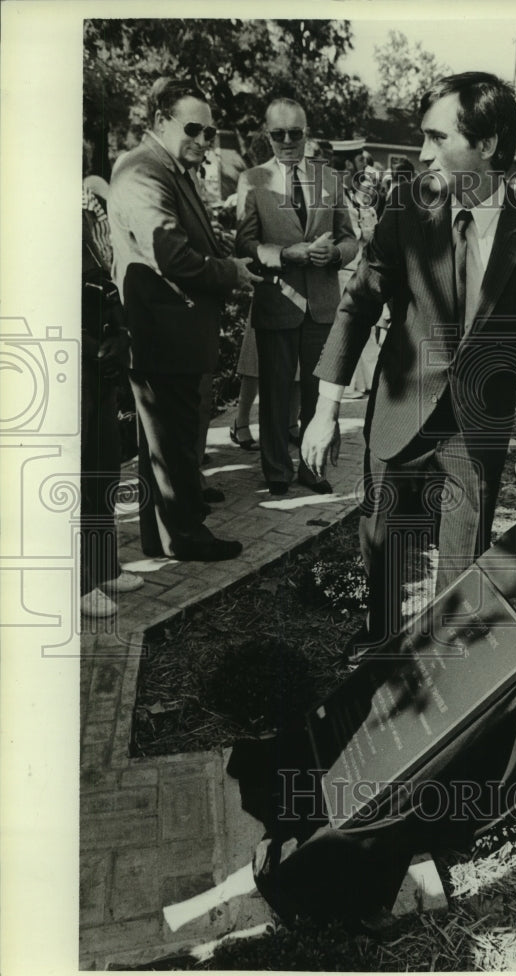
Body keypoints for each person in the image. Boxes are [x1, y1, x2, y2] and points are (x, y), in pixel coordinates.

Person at [302, 71, 516, 655]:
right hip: (401, 410)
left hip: (475, 430)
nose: (423, 153)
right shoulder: (406, 209)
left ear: (488, 145)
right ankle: (378, 642)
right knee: (381, 544)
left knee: (463, 567)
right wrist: (326, 409)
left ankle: (447, 672)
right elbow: (358, 304)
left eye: (437, 137)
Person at [108, 77, 261, 561]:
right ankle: (185, 537)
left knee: (168, 442)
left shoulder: (166, 167)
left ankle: (169, 533)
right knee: (169, 441)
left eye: (210, 133)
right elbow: (170, 255)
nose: (203, 140)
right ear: (159, 121)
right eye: (193, 128)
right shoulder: (143, 170)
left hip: (174, 329)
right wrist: (229, 273)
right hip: (163, 331)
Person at [236, 98, 358, 495]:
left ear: (307, 132)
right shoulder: (252, 180)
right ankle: (276, 472)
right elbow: (245, 243)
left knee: (316, 394)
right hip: (278, 300)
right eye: (278, 134)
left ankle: (312, 469)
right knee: (273, 393)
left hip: (322, 304)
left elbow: (350, 239)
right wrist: (285, 255)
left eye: (296, 133)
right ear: (266, 134)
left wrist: (336, 254)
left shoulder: (330, 178)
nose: (287, 141)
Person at [80, 184, 144, 618]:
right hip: (66, 357)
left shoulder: (83, 215)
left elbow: (102, 282)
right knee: (71, 474)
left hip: (98, 358)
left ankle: (103, 566)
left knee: (103, 462)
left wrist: (117, 337)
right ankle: (78, 580)